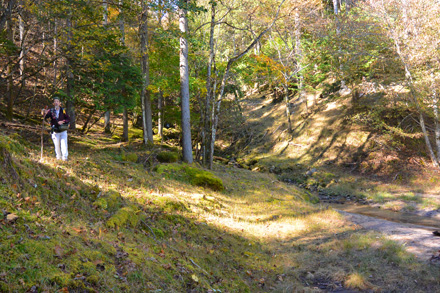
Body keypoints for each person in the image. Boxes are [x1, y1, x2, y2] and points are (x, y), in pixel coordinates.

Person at [43, 97, 70, 161]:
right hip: (55, 130)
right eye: (55, 101)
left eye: (57, 101)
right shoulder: (51, 111)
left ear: (60, 103)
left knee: (64, 144)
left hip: (63, 130)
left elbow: (68, 119)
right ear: (53, 103)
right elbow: (45, 117)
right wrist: (44, 112)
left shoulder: (63, 110)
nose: (56, 103)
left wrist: (62, 121)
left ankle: (65, 158)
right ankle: (58, 157)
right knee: (57, 145)